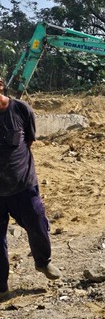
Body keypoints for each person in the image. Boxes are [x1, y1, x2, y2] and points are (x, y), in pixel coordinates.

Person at [0, 78, 61, 301]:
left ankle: (43, 263)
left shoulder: (21, 109)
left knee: (38, 225)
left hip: (23, 187)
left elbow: (28, 142)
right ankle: (1, 287)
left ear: (0, 85)